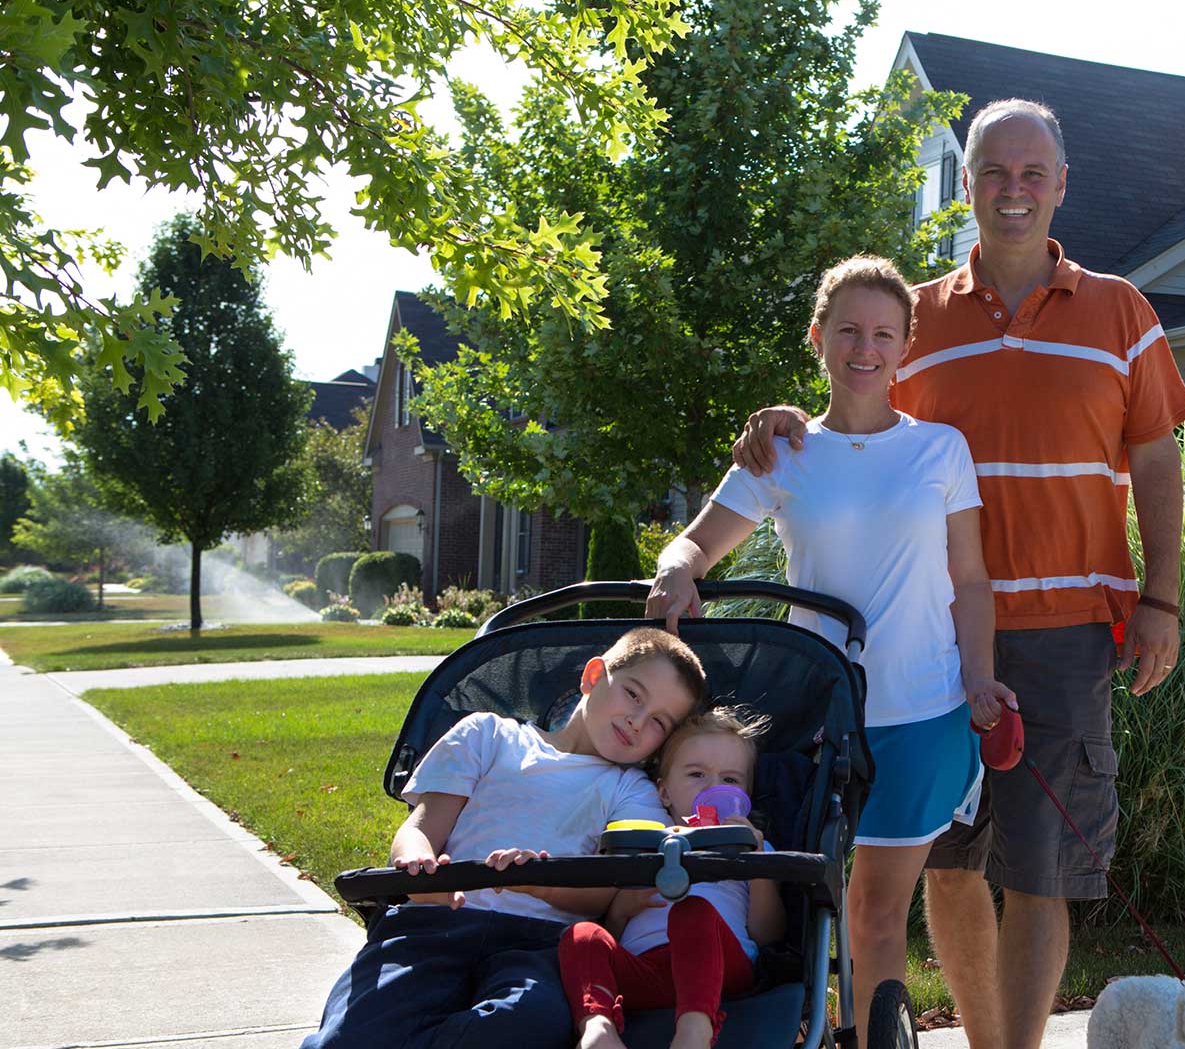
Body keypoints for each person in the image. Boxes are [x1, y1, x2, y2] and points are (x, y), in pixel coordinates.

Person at [733, 99, 1185, 1049]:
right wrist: (780, 417)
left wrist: (1162, 596)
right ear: (968, 183)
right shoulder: (919, 319)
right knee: (946, 867)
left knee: (1040, 872)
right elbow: (850, 411)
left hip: (1067, 630)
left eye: (1033, 173)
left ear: (1062, 185)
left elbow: (1154, 461)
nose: (1013, 190)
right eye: (993, 171)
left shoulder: (1123, 313)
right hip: (930, 645)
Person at [648, 254, 1015, 1044]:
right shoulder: (781, 451)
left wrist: (981, 676)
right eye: (847, 329)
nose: (865, 347)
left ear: (905, 348)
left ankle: (869, 1036)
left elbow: (972, 579)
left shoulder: (940, 450)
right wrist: (674, 574)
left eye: (884, 333)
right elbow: (693, 546)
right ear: (818, 338)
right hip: (820, 722)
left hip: (923, 713)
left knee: (874, 911)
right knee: (814, 913)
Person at [303, 627, 707, 1049]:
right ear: (592, 677)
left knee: (530, 1023)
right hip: (436, 922)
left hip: (541, 943)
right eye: (633, 695)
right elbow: (421, 828)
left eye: (659, 721)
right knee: (352, 1033)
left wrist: (538, 882)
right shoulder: (488, 736)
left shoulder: (631, 790)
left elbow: (607, 893)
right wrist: (417, 869)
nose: (637, 721)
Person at [557, 707, 783, 1049]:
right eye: (696, 775)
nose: (713, 788)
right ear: (664, 792)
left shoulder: (751, 843)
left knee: (692, 910)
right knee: (581, 936)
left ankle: (695, 1030)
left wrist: (757, 862)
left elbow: (767, 934)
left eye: (730, 780)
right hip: (643, 969)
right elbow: (611, 931)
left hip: (722, 968)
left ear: (745, 797)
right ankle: (599, 1029)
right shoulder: (644, 837)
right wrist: (621, 911)